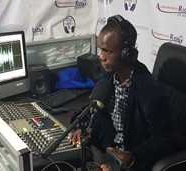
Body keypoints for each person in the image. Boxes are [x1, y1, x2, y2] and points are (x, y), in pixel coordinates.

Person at [69, 14, 173, 171]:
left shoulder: (149, 90)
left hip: (134, 162)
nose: (101, 57)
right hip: (108, 154)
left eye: (108, 51)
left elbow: (162, 140)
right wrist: (88, 130)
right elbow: (99, 112)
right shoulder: (108, 76)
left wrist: (132, 155)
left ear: (127, 53)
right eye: (100, 50)